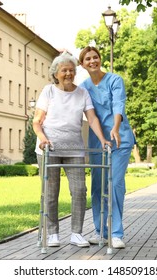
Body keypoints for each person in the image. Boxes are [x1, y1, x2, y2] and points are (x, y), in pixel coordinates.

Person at [33, 51, 111, 248]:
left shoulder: (82, 93)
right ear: (56, 73)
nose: (68, 73)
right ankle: (52, 233)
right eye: (64, 70)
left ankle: (76, 233)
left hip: (74, 149)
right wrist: (43, 139)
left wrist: (102, 139)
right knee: (51, 192)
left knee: (79, 191)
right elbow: (37, 121)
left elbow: (91, 118)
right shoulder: (48, 91)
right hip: (50, 149)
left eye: (71, 70)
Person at [79, 46, 135, 249]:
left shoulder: (114, 80)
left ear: (100, 59)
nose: (92, 61)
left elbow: (118, 104)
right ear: (82, 64)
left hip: (120, 139)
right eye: (87, 59)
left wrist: (116, 128)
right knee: (97, 187)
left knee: (114, 184)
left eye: (95, 57)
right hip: (98, 142)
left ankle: (116, 233)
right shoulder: (83, 87)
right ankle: (100, 232)